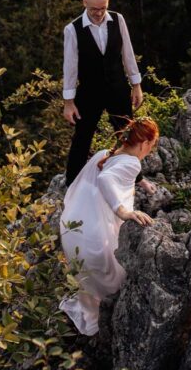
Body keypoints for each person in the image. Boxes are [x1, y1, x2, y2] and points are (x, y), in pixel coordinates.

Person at [59, 117, 159, 336]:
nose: (149, 152)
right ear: (144, 143)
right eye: (151, 147)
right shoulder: (133, 163)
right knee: (121, 281)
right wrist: (122, 211)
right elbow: (106, 178)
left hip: (71, 231)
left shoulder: (104, 154)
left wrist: (140, 182)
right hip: (91, 241)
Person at [63, 0, 144, 186]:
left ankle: (136, 178)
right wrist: (68, 102)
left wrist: (136, 85)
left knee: (127, 133)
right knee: (82, 138)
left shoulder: (118, 20)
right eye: (94, 9)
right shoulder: (72, 29)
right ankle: (71, 184)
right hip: (89, 92)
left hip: (117, 88)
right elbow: (70, 67)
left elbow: (128, 53)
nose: (99, 13)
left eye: (103, 8)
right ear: (84, 3)